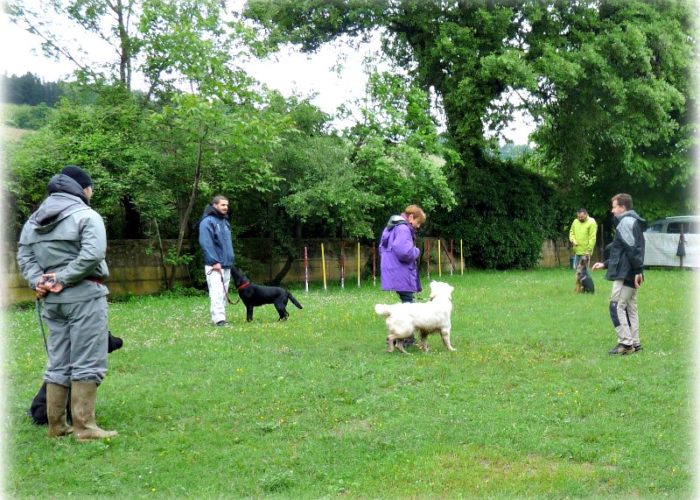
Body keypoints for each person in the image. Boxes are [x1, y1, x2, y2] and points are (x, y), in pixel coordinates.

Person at [17, 165, 117, 440]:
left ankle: (56, 426)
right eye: (91, 188)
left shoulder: (33, 221)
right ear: (83, 189)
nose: (92, 193)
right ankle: (85, 427)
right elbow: (93, 254)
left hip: (53, 301)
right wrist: (62, 277)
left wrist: (39, 280)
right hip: (84, 295)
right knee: (87, 359)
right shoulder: (87, 215)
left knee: (58, 361)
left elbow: (24, 256)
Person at [592, 193, 645, 355]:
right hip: (631, 270)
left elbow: (633, 250)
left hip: (626, 273)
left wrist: (638, 271)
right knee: (630, 307)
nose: (612, 211)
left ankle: (625, 343)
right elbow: (622, 250)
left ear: (622, 207)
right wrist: (605, 264)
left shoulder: (626, 222)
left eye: (614, 207)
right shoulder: (630, 222)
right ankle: (635, 342)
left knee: (616, 306)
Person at [198, 195, 235, 326]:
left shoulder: (225, 221)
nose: (225, 207)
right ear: (215, 205)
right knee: (217, 292)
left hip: (226, 264)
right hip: (215, 265)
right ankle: (219, 320)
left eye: (227, 205)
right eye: (223, 205)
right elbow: (206, 243)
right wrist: (214, 261)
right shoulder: (207, 221)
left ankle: (221, 317)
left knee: (223, 293)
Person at [379, 204, 426, 304]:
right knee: (408, 303)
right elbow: (405, 253)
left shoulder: (392, 227)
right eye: (418, 222)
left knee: (406, 301)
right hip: (401, 272)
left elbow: (382, 248)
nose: (418, 226)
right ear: (411, 217)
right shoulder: (403, 229)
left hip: (393, 269)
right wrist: (416, 251)